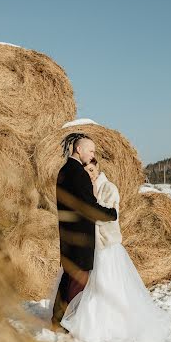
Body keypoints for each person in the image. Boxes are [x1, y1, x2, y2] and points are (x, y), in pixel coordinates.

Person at [60, 158, 171, 342]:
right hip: (92, 244)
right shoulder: (86, 187)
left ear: (98, 169)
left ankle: (106, 323)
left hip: (105, 244)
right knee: (88, 286)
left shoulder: (109, 188)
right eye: (86, 170)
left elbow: (109, 216)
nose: (90, 173)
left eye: (92, 170)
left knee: (106, 284)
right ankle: (81, 318)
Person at [51, 134, 118, 329]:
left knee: (68, 279)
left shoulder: (66, 170)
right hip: (79, 237)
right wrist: (110, 213)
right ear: (78, 149)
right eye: (91, 150)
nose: (93, 154)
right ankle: (68, 323)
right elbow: (87, 206)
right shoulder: (77, 172)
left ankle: (57, 321)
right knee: (78, 283)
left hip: (70, 235)